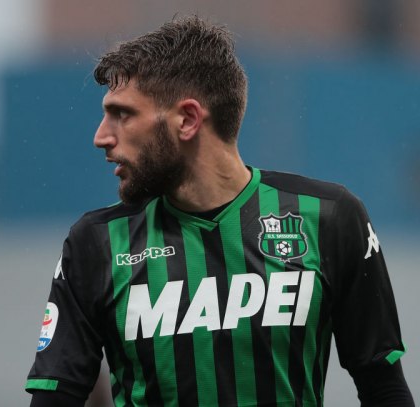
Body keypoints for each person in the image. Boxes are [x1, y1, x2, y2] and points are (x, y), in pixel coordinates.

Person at [25, 16, 414, 406]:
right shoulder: (96, 243)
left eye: (122, 114)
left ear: (188, 119)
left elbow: (383, 388)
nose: (101, 137)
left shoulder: (329, 218)